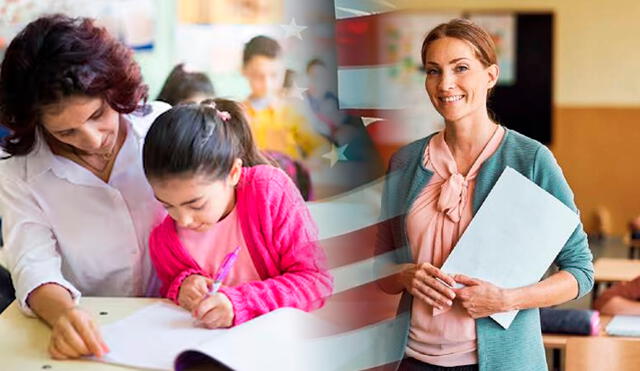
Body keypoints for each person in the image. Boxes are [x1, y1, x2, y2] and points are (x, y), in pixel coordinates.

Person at [376, 19, 593, 371]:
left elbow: (580, 271)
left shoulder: (531, 160)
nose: (446, 84)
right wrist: (404, 275)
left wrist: (507, 299)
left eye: (461, 68)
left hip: (501, 362)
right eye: (434, 71)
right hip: (412, 359)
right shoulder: (404, 162)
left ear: (490, 76)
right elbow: (378, 270)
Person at [0, 15, 169, 359]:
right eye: (65, 132)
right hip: (93, 327)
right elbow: (32, 262)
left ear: (115, 92)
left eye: (97, 115)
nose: (91, 141)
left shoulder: (159, 129)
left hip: (178, 316)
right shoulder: (20, 170)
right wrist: (65, 314)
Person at [141, 99, 332, 329]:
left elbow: (316, 281)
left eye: (196, 204)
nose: (183, 220)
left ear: (233, 172)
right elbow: (171, 282)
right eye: (167, 206)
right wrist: (183, 286)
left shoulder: (268, 191)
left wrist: (241, 303)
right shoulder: (164, 239)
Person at [241, 35, 327, 160]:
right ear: (244, 71)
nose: (267, 84)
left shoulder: (292, 112)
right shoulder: (238, 114)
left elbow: (322, 147)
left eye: (274, 75)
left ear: (282, 71)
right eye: (258, 75)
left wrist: (307, 167)